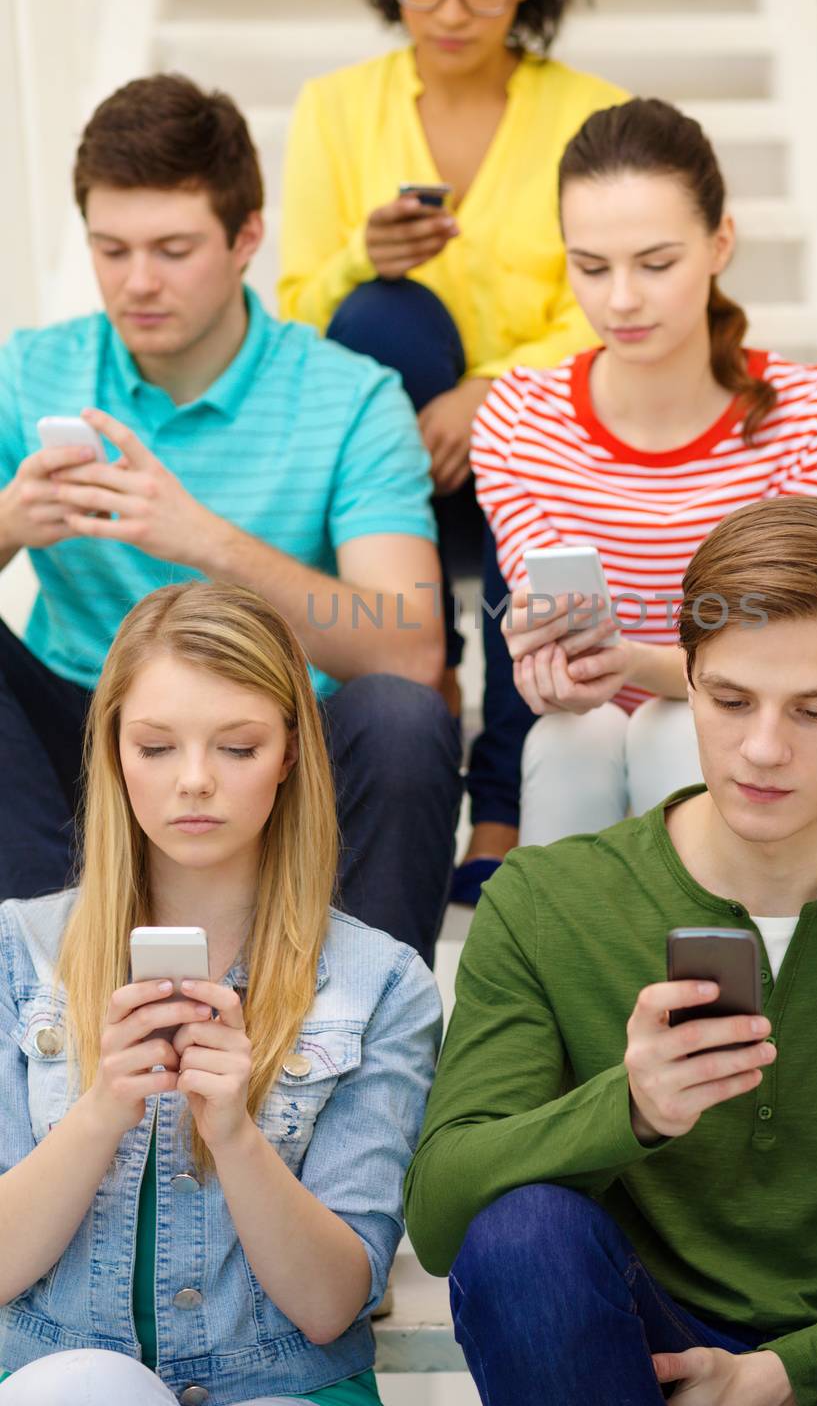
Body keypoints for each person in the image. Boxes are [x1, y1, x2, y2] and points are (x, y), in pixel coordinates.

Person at [404, 497, 817, 1406]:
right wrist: (629, 1107)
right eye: (729, 700)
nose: (763, 749)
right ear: (686, 676)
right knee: (522, 1236)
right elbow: (442, 1221)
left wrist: (784, 1373)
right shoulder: (546, 899)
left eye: (815, 709)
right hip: (638, 1349)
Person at [0, 73, 460, 966]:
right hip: (87, 741)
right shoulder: (31, 371)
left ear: (246, 237)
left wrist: (198, 539)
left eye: (173, 249)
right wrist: (10, 523)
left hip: (275, 753)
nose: (136, 283)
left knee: (404, 718)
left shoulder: (349, 398)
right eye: (110, 249)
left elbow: (407, 647)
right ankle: (33, 1002)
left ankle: (359, 1041)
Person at [279, 0, 626, 897]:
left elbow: (615, 299)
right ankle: (417, 682)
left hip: (526, 459)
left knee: (538, 451)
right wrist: (356, 254)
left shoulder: (592, 117)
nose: (448, 9)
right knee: (382, 315)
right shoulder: (337, 109)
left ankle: (503, 798)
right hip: (392, 467)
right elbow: (296, 313)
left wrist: (493, 393)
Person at [0, 580, 441, 1404]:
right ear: (112, 753)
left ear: (289, 757)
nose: (194, 781)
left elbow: (329, 1304)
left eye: (236, 748)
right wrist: (101, 1110)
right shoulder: (15, 952)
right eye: (156, 747)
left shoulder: (382, 986)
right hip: (53, 1368)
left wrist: (235, 1133)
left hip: (285, 1379)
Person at [471, 98, 817, 851]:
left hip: (774, 741)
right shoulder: (518, 419)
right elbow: (539, 601)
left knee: (668, 728)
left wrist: (639, 665)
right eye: (591, 267)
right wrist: (541, 651)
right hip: (589, 744)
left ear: (720, 243)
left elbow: (785, 646)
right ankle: (568, 967)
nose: (620, 299)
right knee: (567, 740)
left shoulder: (815, 414)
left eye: (656, 264)